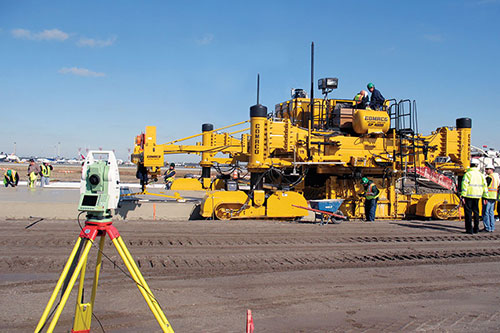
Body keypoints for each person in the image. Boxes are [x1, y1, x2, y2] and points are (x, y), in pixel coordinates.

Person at [460, 159, 487, 234]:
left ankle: (469, 230)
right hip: (477, 196)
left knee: (468, 213)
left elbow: (464, 185)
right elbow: (485, 186)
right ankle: (476, 229)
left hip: (468, 195)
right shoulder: (481, 174)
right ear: (477, 165)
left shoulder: (468, 174)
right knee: (476, 212)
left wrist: (463, 195)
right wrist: (485, 196)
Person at [482, 164, 498, 232]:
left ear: (491, 170)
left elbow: (485, 187)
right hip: (493, 196)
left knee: (486, 212)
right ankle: (492, 227)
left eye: (487, 169)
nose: (485, 170)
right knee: (491, 212)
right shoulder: (496, 177)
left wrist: (484, 197)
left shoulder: (489, 177)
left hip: (488, 196)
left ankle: (487, 227)